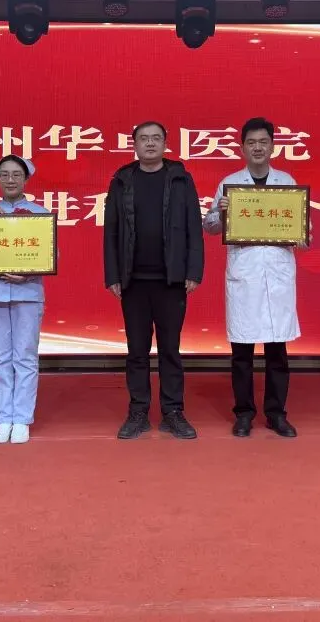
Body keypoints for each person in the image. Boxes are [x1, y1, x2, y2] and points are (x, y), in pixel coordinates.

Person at [104, 121, 204, 440]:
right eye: (144, 139)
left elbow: (193, 226)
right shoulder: (122, 180)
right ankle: (138, 412)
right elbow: (111, 231)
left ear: (165, 143)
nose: (150, 143)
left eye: (156, 138)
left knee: (170, 349)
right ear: (134, 144)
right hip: (133, 280)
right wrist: (113, 274)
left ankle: (173, 412)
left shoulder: (180, 178)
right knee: (136, 350)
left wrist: (193, 270)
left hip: (171, 280)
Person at [203, 117, 302, 438]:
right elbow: (210, 226)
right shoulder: (230, 183)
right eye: (251, 142)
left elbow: (303, 229)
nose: (258, 147)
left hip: (277, 273)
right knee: (242, 353)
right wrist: (221, 212)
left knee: (277, 352)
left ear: (272, 146)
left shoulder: (287, 182)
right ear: (242, 148)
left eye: (263, 142)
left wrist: (302, 233)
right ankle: (244, 413)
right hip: (244, 275)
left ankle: (276, 414)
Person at [0, 155, 49, 444]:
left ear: (26, 179)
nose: (11, 180)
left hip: (28, 294)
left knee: (25, 356)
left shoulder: (39, 213)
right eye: (5, 174)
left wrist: (29, 273)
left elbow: (51, 254)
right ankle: (3, 418)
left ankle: (22, 419)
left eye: (17, 174)